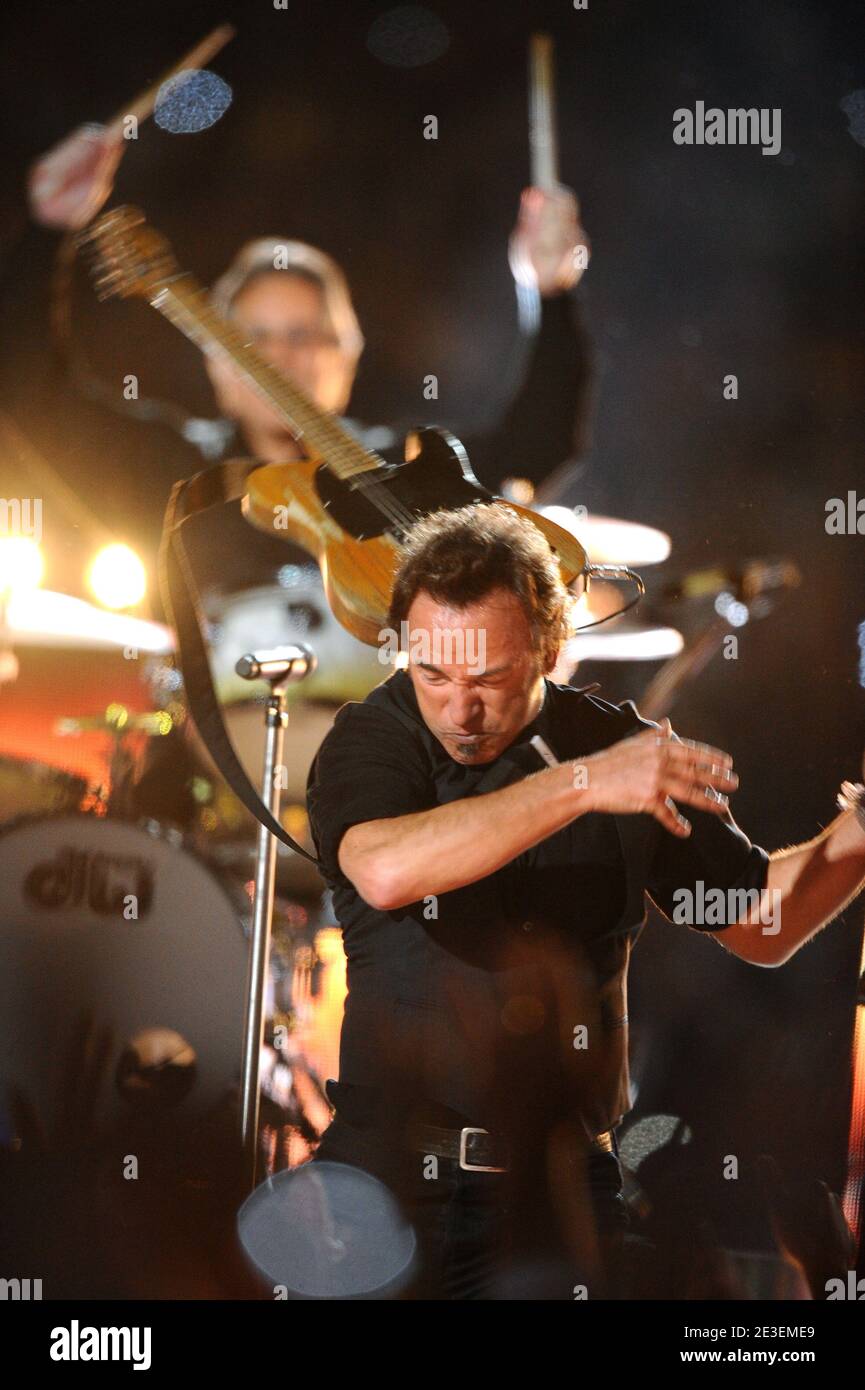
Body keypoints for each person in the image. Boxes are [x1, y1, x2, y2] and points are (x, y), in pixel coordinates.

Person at [305, 502, 865, 1299]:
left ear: (548, 648)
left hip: (565, 1182)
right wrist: (583, 785)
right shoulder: (374, 736)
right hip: (390, 1176)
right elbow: (385, 868)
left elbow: (759, 924)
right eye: (433, 674)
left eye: (489, 679)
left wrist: (858, 832)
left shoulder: (620, 749)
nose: (459, 710)